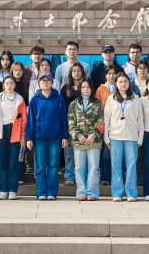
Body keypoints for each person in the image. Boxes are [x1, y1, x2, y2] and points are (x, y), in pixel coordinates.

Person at [26, 71, 69, 200]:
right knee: (40, 166)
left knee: (53, 165)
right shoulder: (34, 100)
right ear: (39, 83)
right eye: (43, 80)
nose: (45, 83)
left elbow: (64, 119)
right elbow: (31, 121)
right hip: (39, 137)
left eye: (48, 80)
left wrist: (65, 136)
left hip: (56, 137)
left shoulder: (59, 99)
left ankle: (51, 192)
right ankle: (41, 192)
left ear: (52, 83)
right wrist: (29, 138)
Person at [104, 72, 144, 202]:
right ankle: (117, 193)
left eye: (125, 81)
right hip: (115, 135)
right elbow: (106, 119)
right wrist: (106, 138)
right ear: (116, 83)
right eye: (120, 82)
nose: (123, 84)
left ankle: (131, 193)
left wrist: (140, 137)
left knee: (131, 165)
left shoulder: (135, 98)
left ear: (129, 83)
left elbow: (140, 119)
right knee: (116, 164)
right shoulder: (111, 99)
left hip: (132, 135)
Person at [0, 75, 27, 200]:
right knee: (1, 162)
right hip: (1, 131)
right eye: (7, 83)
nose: (9, 85)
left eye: (11, 83)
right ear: (3, 85)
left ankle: (13, 190)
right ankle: (3, 190)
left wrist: (22, 136)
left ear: (15, 85)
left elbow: (24, 120)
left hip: (15, 131)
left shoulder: (19, 99)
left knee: (13, 162)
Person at [68, 78, 104, 201]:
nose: (85, 89)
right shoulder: (73, 104)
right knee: (79, 167)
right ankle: (81, 192)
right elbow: (71, 123)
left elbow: (101, 121)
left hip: (94, 141)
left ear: (91, 89)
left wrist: (93, 135)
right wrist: (79, 135)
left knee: (94, 167)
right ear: (79, 89)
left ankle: (92, 192)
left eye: (88, 87)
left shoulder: (97, 104)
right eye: (83, 87)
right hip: (79, 141)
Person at [59, 62, 86, 187]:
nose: (77, 73)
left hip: (84, 125)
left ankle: (81, 177)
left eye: (79, 70)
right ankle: (69, 177)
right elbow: (62, 108)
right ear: (70, 73)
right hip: (70, 124)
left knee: (83, 153)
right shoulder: (65, 88)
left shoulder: (86, 87)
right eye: (74, 71)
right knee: (69, 153)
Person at [94, 66, 117, 187]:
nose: (111, 76)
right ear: (105, 75)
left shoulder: (120, 87)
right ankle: (106, 177)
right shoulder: (101, 89)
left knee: (117, 152)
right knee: (105, 152)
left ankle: (117, 177)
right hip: (104, 124)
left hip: (118, 124)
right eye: (109, 73)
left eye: (113, 73)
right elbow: (96, 107)